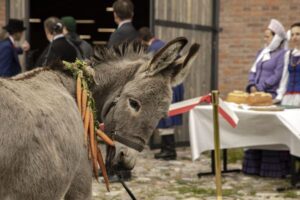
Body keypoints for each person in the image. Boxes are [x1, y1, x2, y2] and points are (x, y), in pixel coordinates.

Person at [242, 19, 290, 178]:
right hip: (255, 96)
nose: (265, 39)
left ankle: (272, 168)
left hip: (271, 97)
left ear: (276, 37)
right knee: (255, 129)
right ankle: (253, 166)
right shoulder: (261, 53)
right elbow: (253, 71)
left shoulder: (282, 54)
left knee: (269, 131)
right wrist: (251, 85)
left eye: (268, 36)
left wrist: (261, 87)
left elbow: (278, 75)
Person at [139, 27, 184, 160]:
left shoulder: (153, 50)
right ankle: (167, 148)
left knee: (166, 118)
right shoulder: (164, 45)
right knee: (168, 118)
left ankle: (169, 150)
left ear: (143, 40)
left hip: (167, 86)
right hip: (177, 84)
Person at [274, 22, 300, 107]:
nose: (294, 37)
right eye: (292, 35)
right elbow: (285, 77)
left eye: (297, 34)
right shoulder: (289, 54)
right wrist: (280, 96)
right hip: (288, 97)